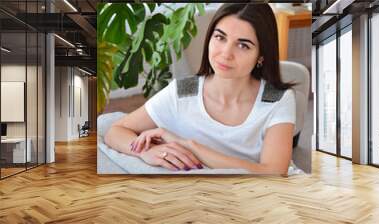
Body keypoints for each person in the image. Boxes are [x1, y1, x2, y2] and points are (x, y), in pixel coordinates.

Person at [104, 3, 296, 174]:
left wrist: (190, 146)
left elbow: (274, 172)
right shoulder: (184, 91)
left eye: (243, 45)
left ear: (261, 55)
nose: (225, 53)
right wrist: (147, 152)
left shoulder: (278, 99)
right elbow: (116, 131)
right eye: (220, 37)